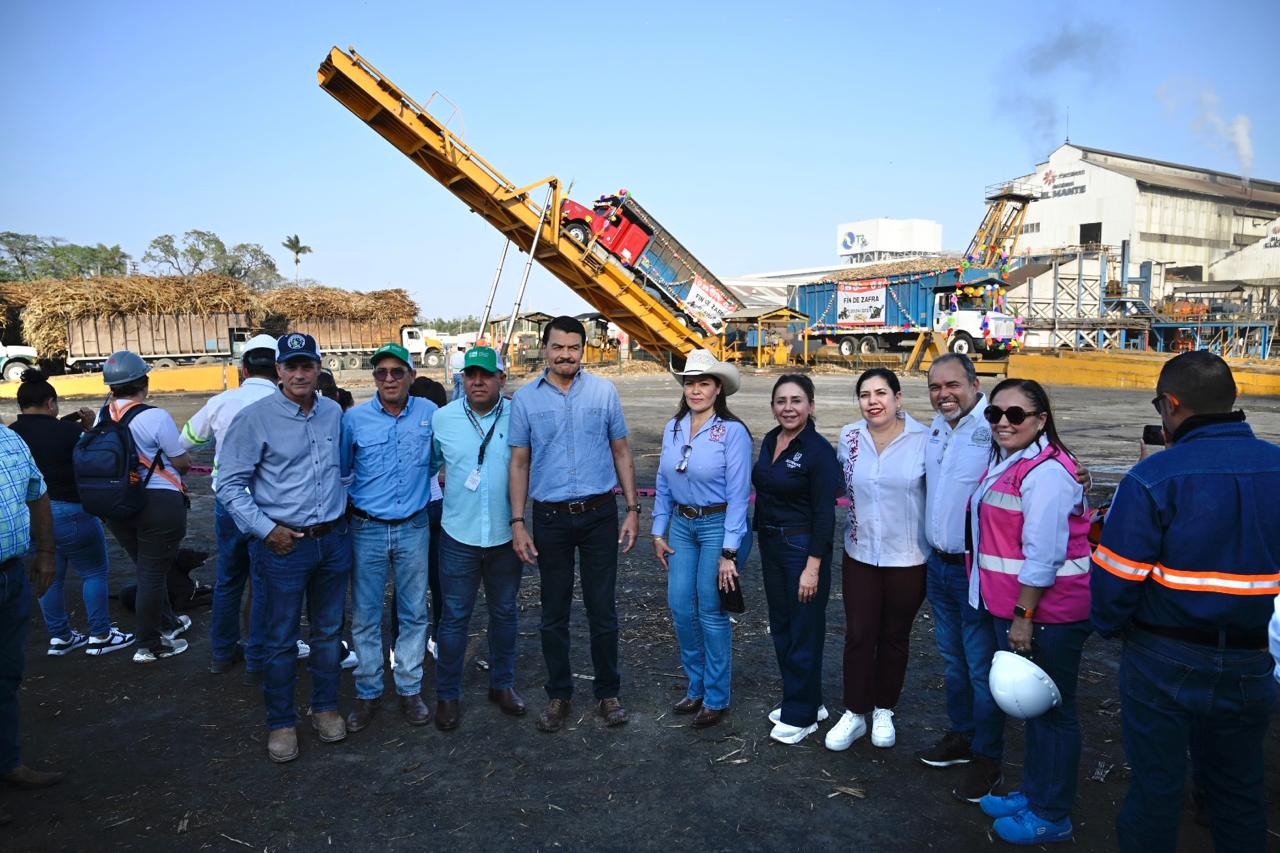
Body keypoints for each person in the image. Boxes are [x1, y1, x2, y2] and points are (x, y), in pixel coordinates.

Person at [1092, 351, 1280, 852]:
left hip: (1163, 655)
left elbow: (1115, 581)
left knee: (1156, 789)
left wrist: (1113, 626)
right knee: (1239, 790)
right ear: (1232, 399)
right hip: (1252, 656)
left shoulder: (1154, 477)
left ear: (1170, 404)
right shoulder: (1276, 466)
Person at [216, 332, 352, 763]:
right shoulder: (255, 418)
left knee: (328, 632)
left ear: (318, 369)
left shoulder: (332, 412)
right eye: (291, 366)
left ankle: (325, 707)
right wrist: (265, 530)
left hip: (331, 541)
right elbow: (228, 485)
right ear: (278, 370)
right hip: (283, 547)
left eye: (306, 365)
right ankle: (281, 722)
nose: (299, 374)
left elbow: (342, 469)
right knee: (279, 638)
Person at [970, 378, 1092, 845]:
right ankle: (1037, 793)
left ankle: (1052, 813)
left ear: (1041, 420)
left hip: (1048, 614)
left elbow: (1044, 554)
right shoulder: (1013, 461)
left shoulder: (1047, 473)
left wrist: (1024, 615)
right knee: (1038, 713)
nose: (1003, 422)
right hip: (1019, 609)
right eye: (995, 413)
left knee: (1055, 713)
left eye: (1015, 414)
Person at [509, 315, 641, 732]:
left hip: (599, 514)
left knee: (602, 609)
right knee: (554, 611)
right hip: (550, 518)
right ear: (545, 349)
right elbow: (519, 462)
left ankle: (608, 692)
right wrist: (518, 521)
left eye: (573, 348)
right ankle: (559, 694)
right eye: (558, 347)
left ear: (583, 350)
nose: (565, 355)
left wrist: (633, 509)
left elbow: (621, 451)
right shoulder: (525, 400)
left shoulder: (604, 392)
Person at [915, 354, 1004, 800]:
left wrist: (1079, 476)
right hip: (939, 566)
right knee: (953, 660)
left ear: (974, 384)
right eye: (935, 387)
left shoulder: (996, 427)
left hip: (976, 570)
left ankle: (988, 756)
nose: (943, 394)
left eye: (952, 385)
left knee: (981, 666)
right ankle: (963, 734)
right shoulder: (936, 427)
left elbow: (1040, 459)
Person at [827, 368, 930, 753]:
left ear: (898, 397)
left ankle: (884, 708)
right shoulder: (850, 436)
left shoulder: (925, 439)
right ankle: (855, 711)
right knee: (858, 634)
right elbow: (836, 482)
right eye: (865, 394)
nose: (873, 401)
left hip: (908, 557)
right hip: (860, 553)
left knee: (894, 635)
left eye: (881, 393)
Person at [651, 351, 752, 730]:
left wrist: (729, 550)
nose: (695, 390)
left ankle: (716, 695)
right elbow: (663, 481)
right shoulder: (673, 427)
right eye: (690, 383)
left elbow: (739, 495)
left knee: (711, 609)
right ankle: (695, 686)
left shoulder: (733, 432)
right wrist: (658, 530)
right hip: (682, 525)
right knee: (680, 605)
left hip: (717, 525)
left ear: (718, 388)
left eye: (703, 383)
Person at [341, 343, 437, 731]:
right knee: (366, 616)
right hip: (367, 529)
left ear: (412, 375)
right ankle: (368, 692)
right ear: (374, 378)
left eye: (398, 371)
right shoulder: (354, 420)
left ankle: (409, 688)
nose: (389, 379)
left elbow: (435, 460)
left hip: (414, 526)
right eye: (381, 372)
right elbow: (343, 470)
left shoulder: (430, 414)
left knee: (414, 612)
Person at [431, 346, 526, 730]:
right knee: (454, 618)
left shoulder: (519, 416)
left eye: (486, 375)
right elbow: (430, 463)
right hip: (458, 536)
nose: (478, 381)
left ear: (502, 378)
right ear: (462, 379)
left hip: (505, 536)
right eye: (470, 375)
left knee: (504, 613)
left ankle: (502, 684)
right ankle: (447, 695)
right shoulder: (443, 418)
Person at [10, 369, 135, 657]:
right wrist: (91, 428)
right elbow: (96, 460)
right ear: (51, 403)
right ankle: (101, 635)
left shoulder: (12, 435)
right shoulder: (69, 432)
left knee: (48, 574)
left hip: (31, 517)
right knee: (94, 572)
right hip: (72, 511)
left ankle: (61, 637)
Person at [179, 334, 280, 675]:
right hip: (268, 507)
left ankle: (222, 653)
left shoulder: (221, 402)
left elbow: (185, 441)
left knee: (229, 580)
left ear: (244, 368)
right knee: (263, 584)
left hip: (228, 504)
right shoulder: (285, 403)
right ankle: (257, 657)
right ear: (279, 369)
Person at [752, 375, 839, 744]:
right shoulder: (772, 439)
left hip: (802, 548)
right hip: (772, 544)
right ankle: (806, 701)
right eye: (781, 401)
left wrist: (813, 567)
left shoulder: (819, 452)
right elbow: (765, 491)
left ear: (811, 406)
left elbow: (825, 515)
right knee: (783, 626)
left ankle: (801, 716)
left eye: (796, 400)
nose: (788, 408)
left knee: (804, 629)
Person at [98, 350, 194, 664]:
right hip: (157, 504)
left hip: (116, 504)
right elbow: (181, 462)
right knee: (152, 573)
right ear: (143, 382)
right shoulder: (156, 417)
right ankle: (149, 645)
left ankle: (168, 623)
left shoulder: (102, 416)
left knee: (148, 568)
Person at [0, 422, 63, 818]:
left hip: (11, 576)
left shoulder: (8, 437)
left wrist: (47, 552)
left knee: (7, 676)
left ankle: (8, 763)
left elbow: (37, 493)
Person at [409, 374, 449, 657]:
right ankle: (439, 638)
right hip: (437, 503)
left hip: (412, 508)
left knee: (408, 582)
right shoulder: (444, 423)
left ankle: (399, 645)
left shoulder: (406, 425)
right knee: (439, 581)